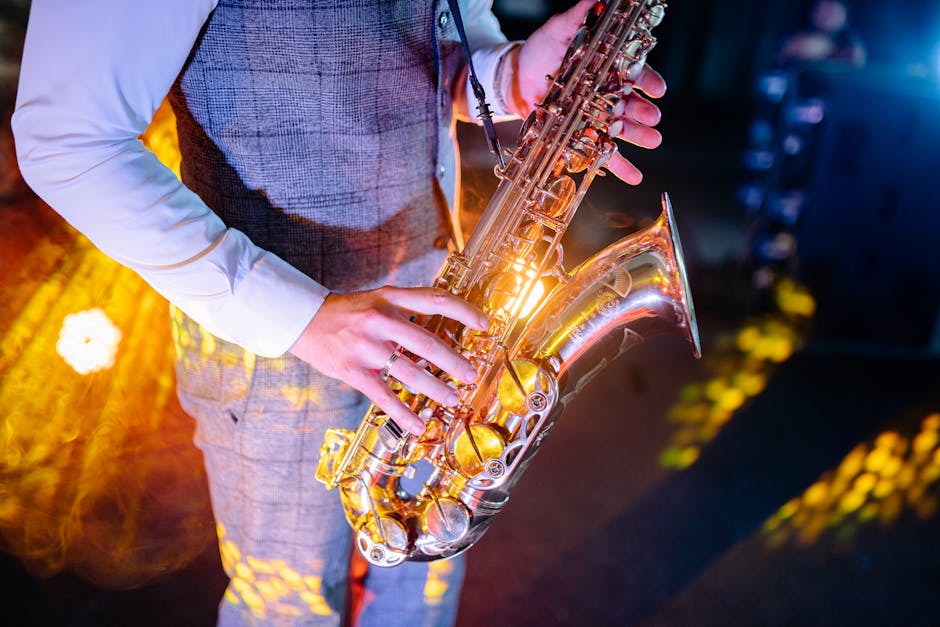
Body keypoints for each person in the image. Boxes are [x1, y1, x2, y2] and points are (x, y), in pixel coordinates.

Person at [13, 1, 665, 624]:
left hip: (444, 310)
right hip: (276, 348)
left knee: (421, 592)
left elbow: (440, 36)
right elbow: (66, 139)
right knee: (289, 610)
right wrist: (302, 317)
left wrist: (512, 74)